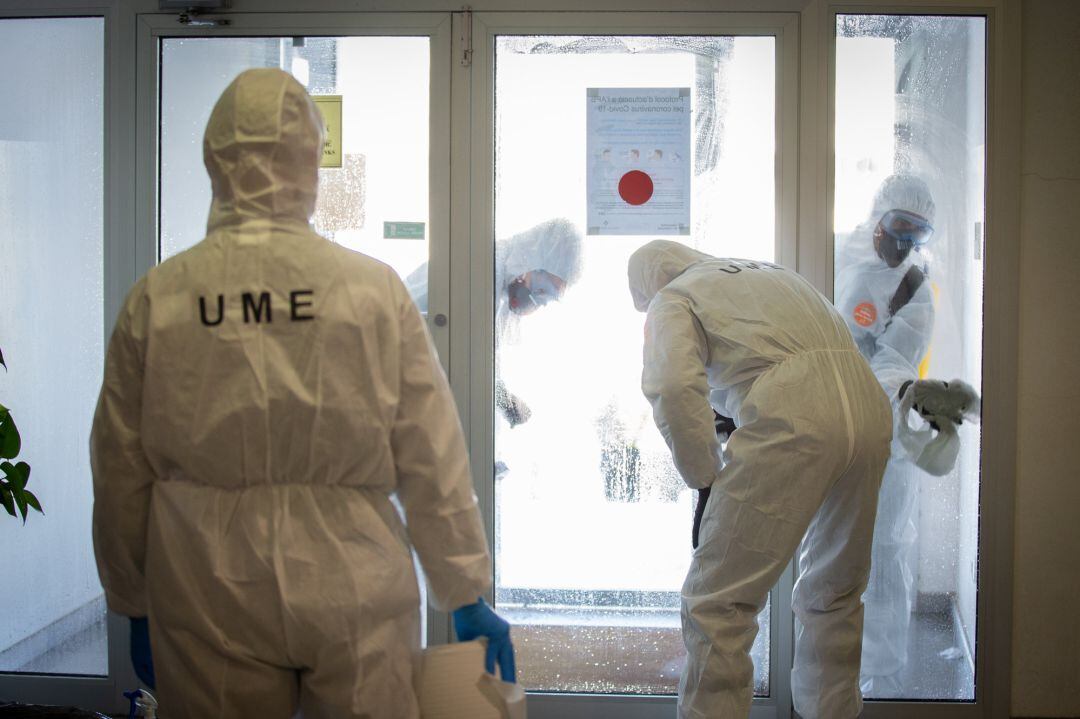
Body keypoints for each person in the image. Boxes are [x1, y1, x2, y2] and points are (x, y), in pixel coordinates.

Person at [90, 68, 514, 719]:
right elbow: (431, 447)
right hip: (353, 571)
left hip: (205, 575)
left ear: (215, 159)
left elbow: (120, 464)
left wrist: (132, 597)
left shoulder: (161, 295)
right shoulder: (371, 289)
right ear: (310, 158)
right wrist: (463, 587)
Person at [628, 240, 892, 719]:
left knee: (718, 603)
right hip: (869, 410)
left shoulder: (675, 296)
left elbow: (671, 385)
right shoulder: (771, 273)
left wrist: (705, 477)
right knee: (834, 593)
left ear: (650, 286)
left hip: (795, 418)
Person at [833, 173, 942, 695]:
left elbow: (897, 359)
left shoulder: (914, 289)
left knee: (886, 546)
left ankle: (880, 673)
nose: (904, 244)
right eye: (898, 227)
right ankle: (824, 662)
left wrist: (891, 398)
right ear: (877, 215)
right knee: (827, 541)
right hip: (827, 422)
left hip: (886, 429)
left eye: (917, 235)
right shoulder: (828, 251)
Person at [404, 217, 582, 427]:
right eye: (542, 290)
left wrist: (504, 400)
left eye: (546, 298)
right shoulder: (482, 272)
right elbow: (474, 364)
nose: (537, 302)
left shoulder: (499, 279)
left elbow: (483, 361)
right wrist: (506, 403)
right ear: (532, 261)